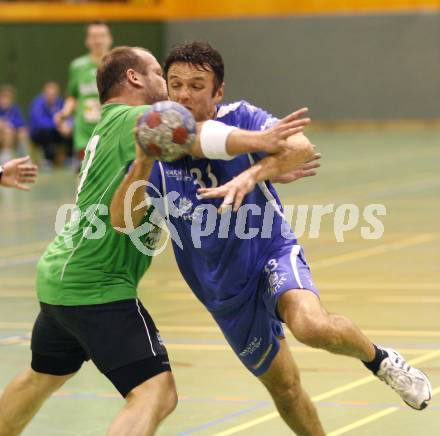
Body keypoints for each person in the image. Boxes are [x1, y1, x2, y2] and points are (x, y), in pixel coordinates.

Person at [112, 42, 432, 435]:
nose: (183, 94)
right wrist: (144, 159)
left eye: (197, 85)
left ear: (218, 93)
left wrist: (251, 175)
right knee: (285, 389)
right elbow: (123, 221)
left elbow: (300, 146)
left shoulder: (240, 117)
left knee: (310, 326)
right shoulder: (158, 150)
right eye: (176, 84)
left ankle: (380, 360)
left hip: (268, 251)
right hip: (222, 292)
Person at [0, 46, 310, 436]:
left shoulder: (109, 124)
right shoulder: (138, 119)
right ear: (135, 78)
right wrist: (265, 141)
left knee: (40, 378)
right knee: (156, 391)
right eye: (160, 75)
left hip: (60, 277)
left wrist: (265, 171)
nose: (170, 87)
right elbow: (198, 138)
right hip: (97, 285)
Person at [54, 21, 113, 167]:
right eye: (93, 36)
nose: (98, 40)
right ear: (87, 40)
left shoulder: (117, 64)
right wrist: (64, 114)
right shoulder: (77, 66)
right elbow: (73, 96)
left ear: (110, 39)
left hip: (111, 128)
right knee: (84, 175)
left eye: (101, 36)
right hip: (84, 131)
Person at [29, 82, 72, 168]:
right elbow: (39, 122)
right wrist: (58, 125)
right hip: (38, 133)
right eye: (50, 94)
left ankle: (69, 158)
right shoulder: (38, 103)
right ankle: (47, 159)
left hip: (56, 130)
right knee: (46, 132)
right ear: (44, 93)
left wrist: (69, 125)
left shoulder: (59, 102)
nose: (52, 97)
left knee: (69, 131)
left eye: (54, 95)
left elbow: (69, 116)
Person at [0, 85, 29, 164]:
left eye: (8, 98)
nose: (6, 100)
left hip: (12, 134)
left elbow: (21, 123)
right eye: (4, 97)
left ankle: (24, 159)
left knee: (22, 133)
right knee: (7, 131)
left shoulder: (14, 109)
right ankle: (4, 161)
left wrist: (9, 123)